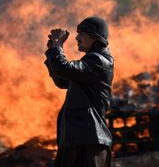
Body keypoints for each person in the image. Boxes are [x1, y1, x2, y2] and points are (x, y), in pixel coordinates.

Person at [44, 16, 114, 167]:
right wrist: (52, 51)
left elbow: (63, 68)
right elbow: (63, 80)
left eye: (81, 33)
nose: (76, 37)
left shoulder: (99, 61)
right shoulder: (91, 62)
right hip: (80, 140)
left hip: (88, 142)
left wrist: (58, 46)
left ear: (94, 36)